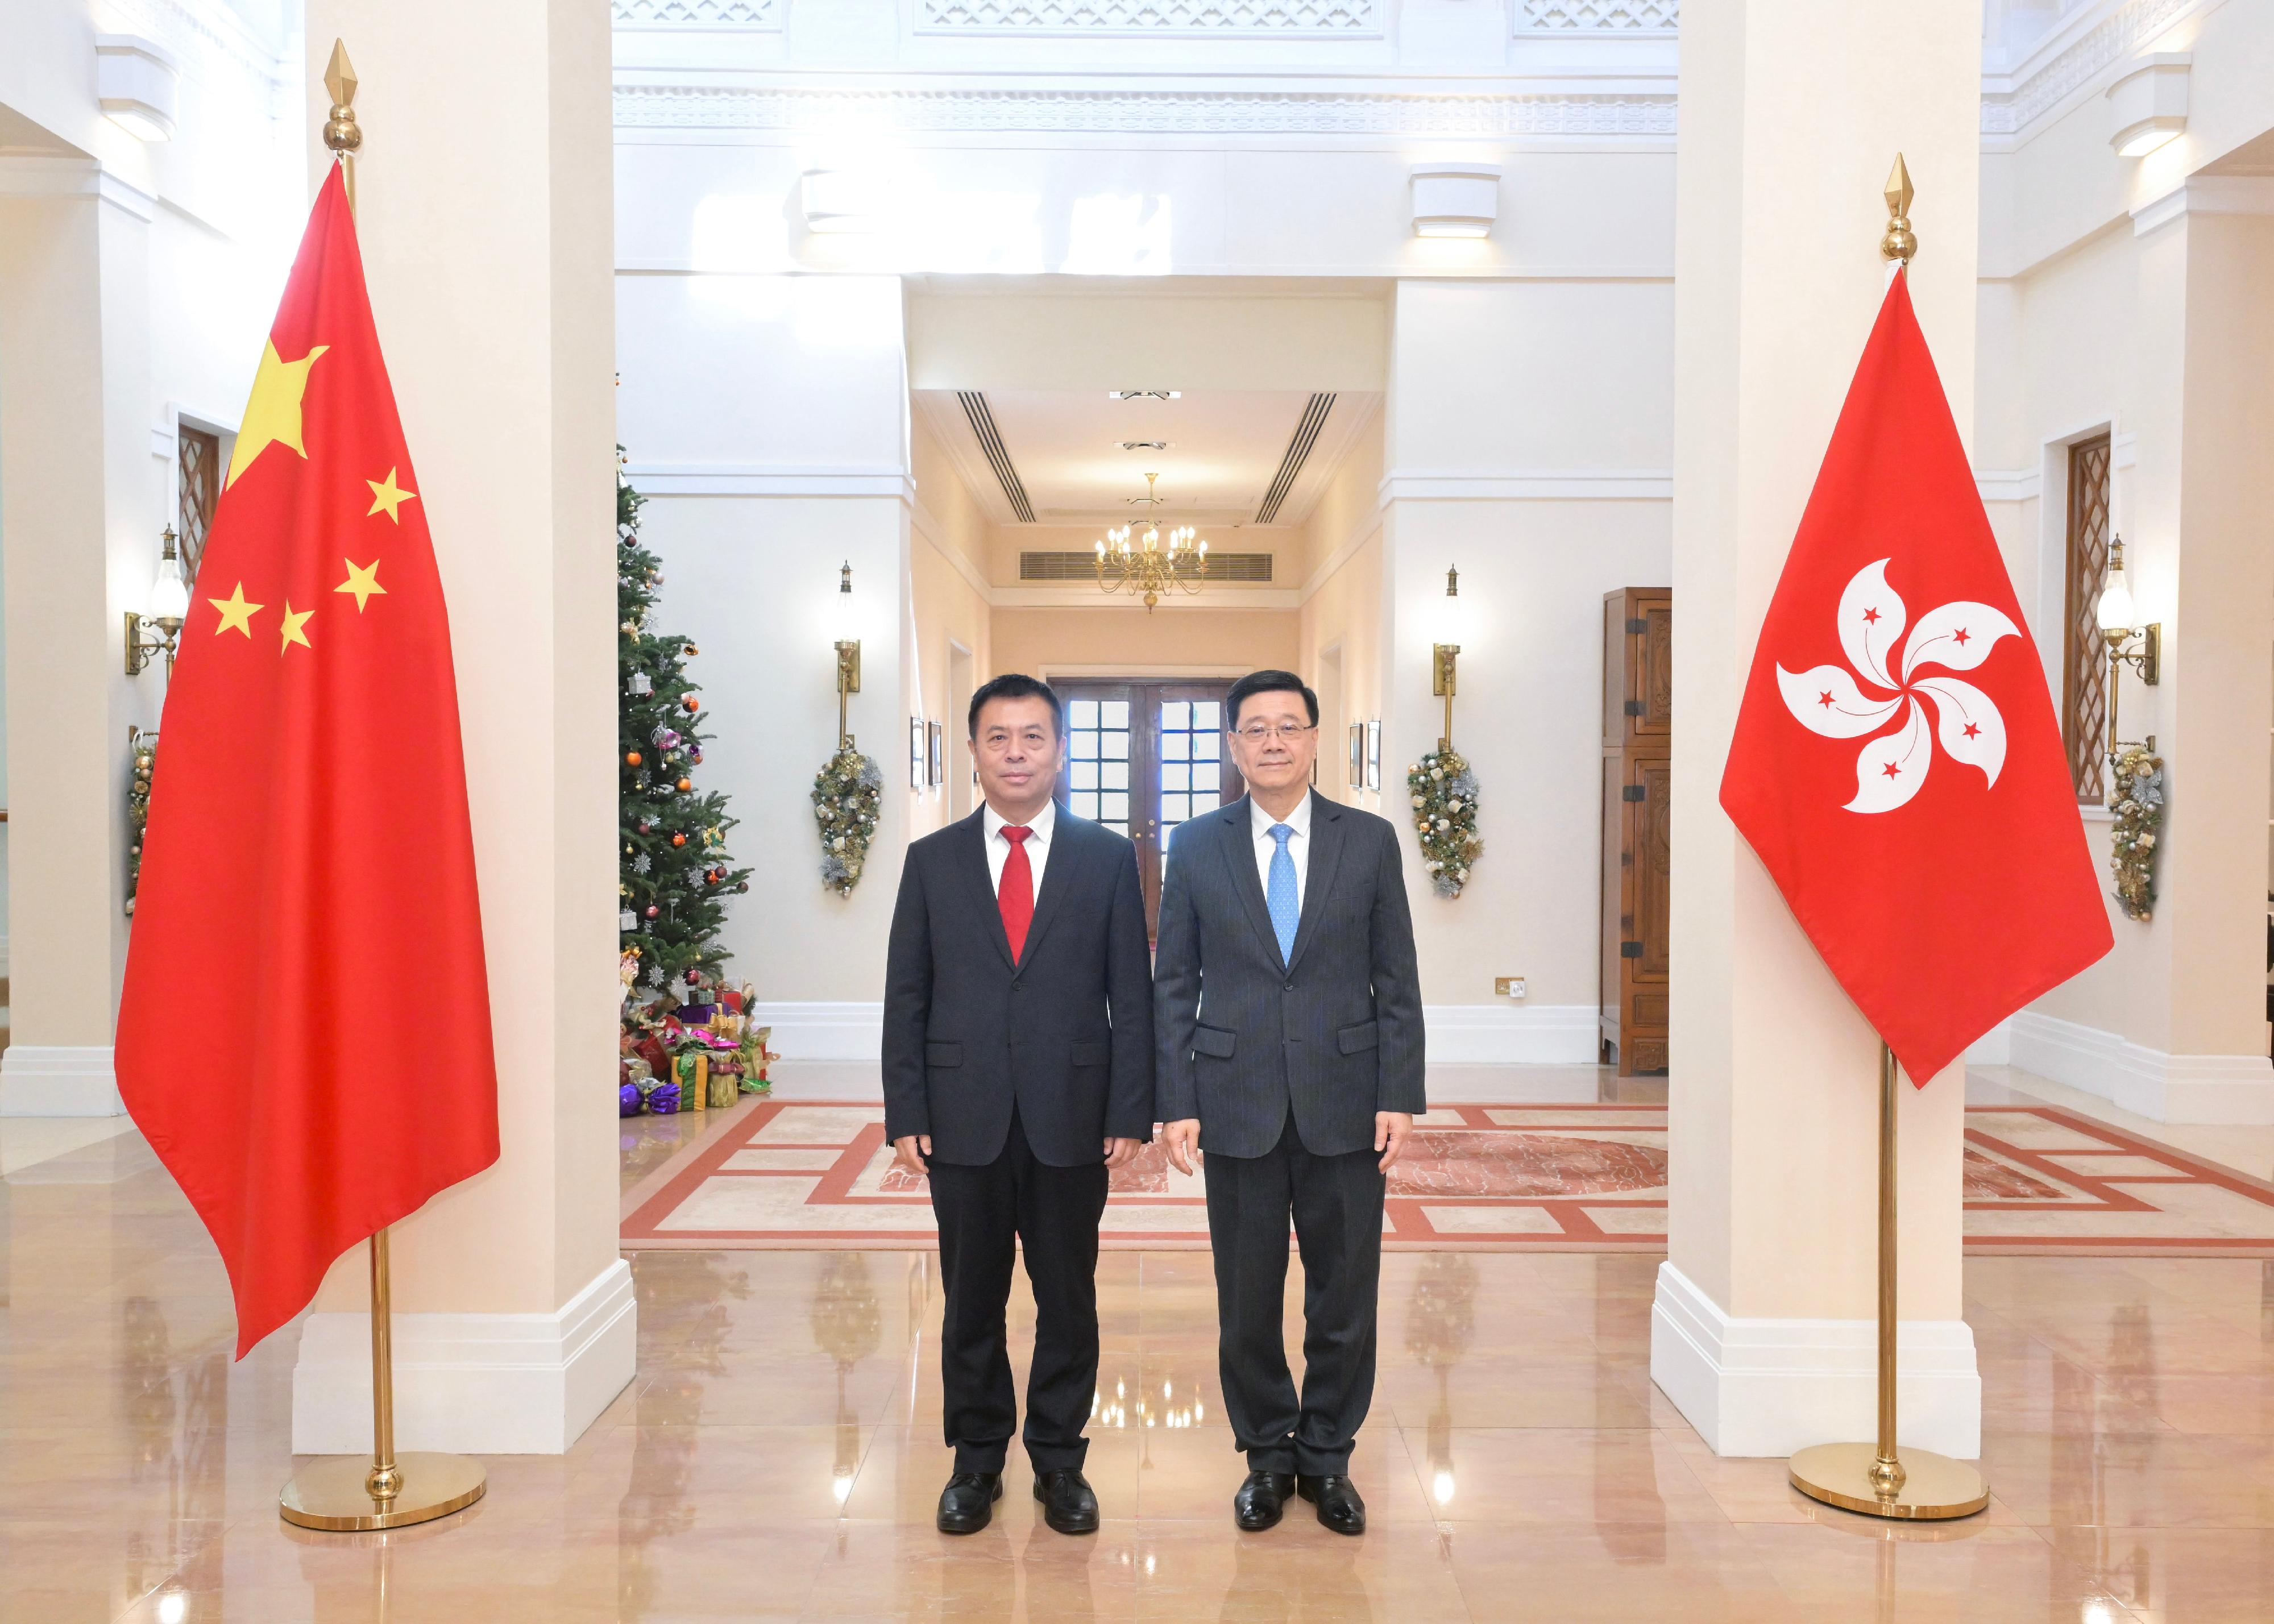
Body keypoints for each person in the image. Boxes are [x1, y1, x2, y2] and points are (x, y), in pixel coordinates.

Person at [1152, 669, 1424, 1536]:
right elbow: (1174, 983)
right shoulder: (1195, 846)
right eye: (1256, 728)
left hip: (1347, 1099)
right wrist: (1176, 1097)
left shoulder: (1369, 841)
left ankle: (1328, 1455)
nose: (1273, 741)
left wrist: (1399, 1092)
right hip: (1234, 1100)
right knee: (1248, 1295)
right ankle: (1267, 1454)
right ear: (1234, 746)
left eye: (1289, 726)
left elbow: (1399, 979)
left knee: (1345, 1293)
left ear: (1315, 739)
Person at [883, 673, 1154, 1536]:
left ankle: (1060, 1460)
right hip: (961, 1114)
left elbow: (1132, 995)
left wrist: (1128, 1109)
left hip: (1073, 1112)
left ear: (1059, 750)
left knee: (1068, 1296)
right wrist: (906, 1107)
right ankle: (975, 1460)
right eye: (998, 738)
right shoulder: (931, 861)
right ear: (973, 752)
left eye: (1033, 737)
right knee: (970, 1299)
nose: (1015, 753)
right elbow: (907, 993)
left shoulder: (1106, 857)